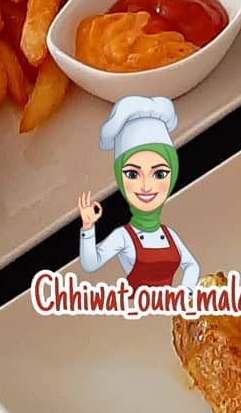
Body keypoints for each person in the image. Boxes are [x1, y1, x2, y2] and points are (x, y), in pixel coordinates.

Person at [77, 95, 199, 291]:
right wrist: (88, 227)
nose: (146, 186)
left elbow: (192, 266)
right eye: (133, 174)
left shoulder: (169, 235)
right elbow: (91, 263)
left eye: (159, 174)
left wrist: (186, 294)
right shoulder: (123, 237)